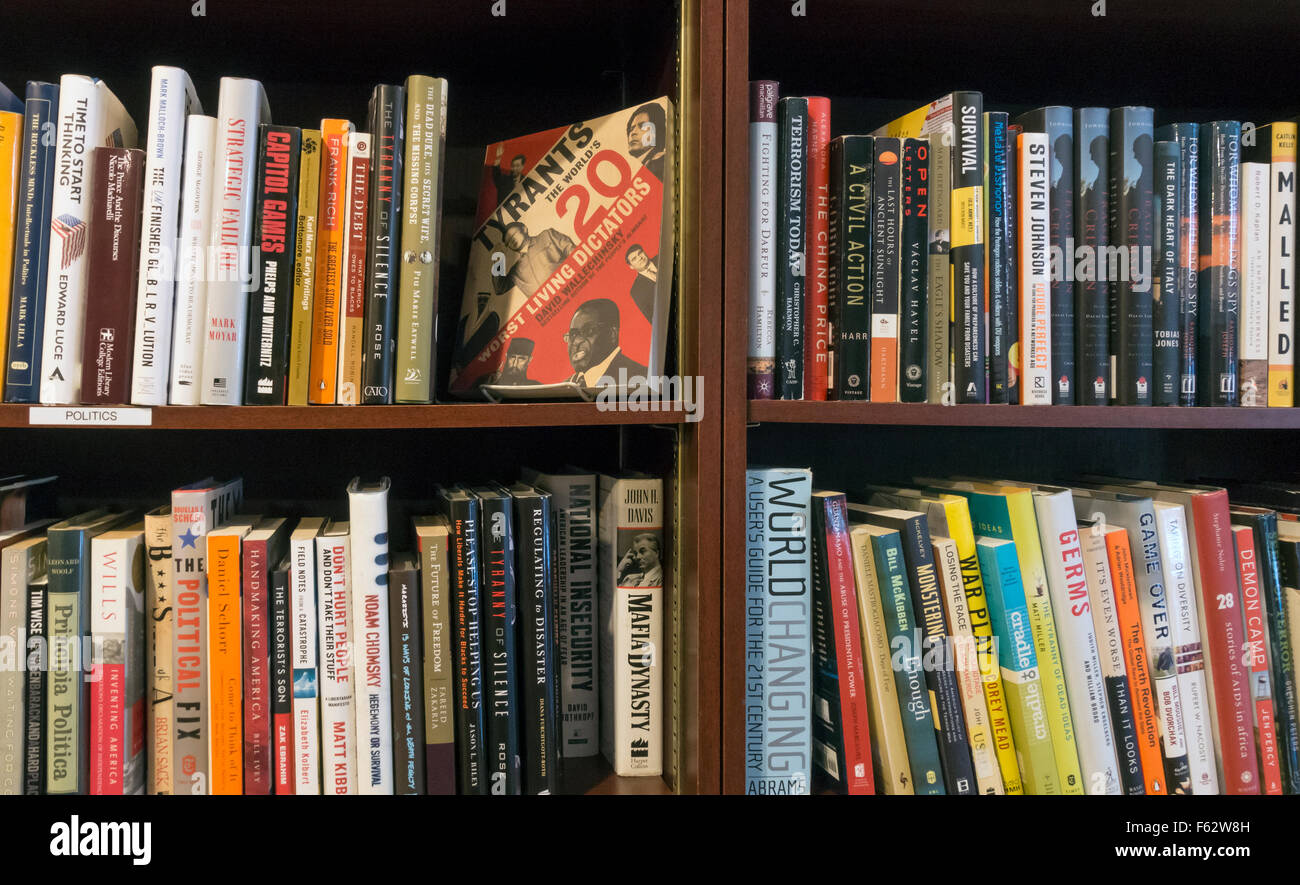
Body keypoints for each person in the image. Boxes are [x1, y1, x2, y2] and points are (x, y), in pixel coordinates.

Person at [564, 298, 647, 388]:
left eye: (588, 331)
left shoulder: (643, 380)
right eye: (573, 334)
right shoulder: (562, 389)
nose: (576, 341)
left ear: (612, 334)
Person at [503, 222, 575, 298]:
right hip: (552, 307)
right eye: (509, 241)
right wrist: (497, 256)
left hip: (570, 290)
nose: (512, 240)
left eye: (514, 234)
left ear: (524, 229)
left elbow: (573, 251)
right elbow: (500, 288)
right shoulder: (516, 271)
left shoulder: (547, 235)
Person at [627, 102, 667, 181]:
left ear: (656, 132)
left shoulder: (659, 162)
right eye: (631, 129)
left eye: (642, 126)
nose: (633, 133)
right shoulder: (638, 167)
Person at [624, 243, 660, 321]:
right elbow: (653, 319)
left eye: (640, 253)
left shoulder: (662, 257)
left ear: (644, 252)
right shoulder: (636, 291)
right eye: (634, 259)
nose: (639, 258)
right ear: (631, 266)